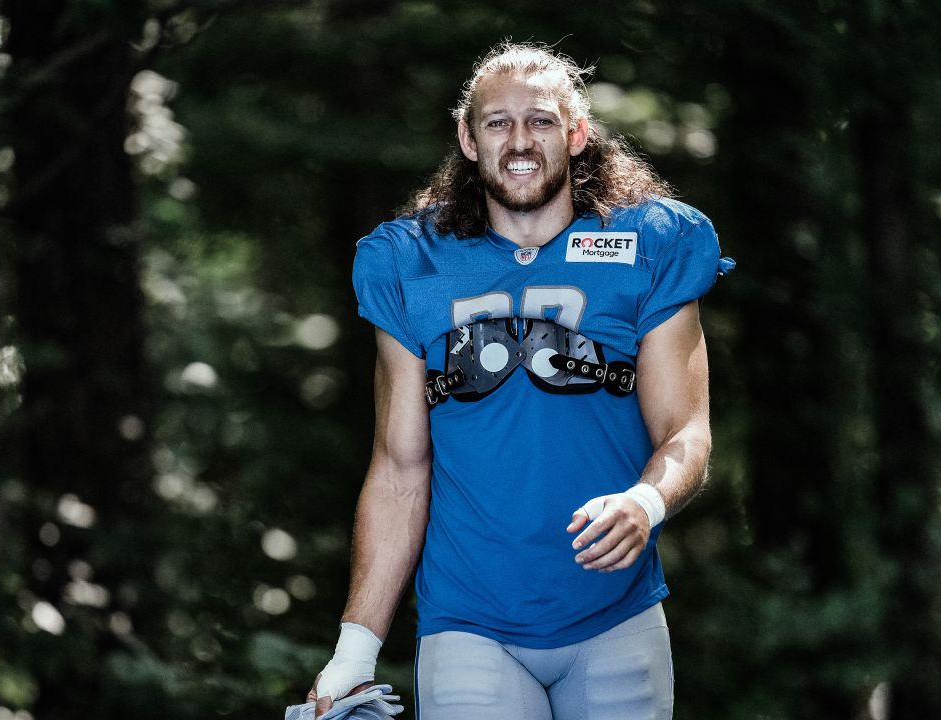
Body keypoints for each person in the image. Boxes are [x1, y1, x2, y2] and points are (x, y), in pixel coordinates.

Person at [307, 42, 733, 720]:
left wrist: (644, 505)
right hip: (469, 620)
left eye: (539, 120)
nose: (520, 140)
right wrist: (354, 652)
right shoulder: (411, 262)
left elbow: (685, 431)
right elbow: (398, 467)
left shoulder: (651, 245)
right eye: (497, 122)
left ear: (577, 133)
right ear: (468, 140)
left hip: (614, 617)